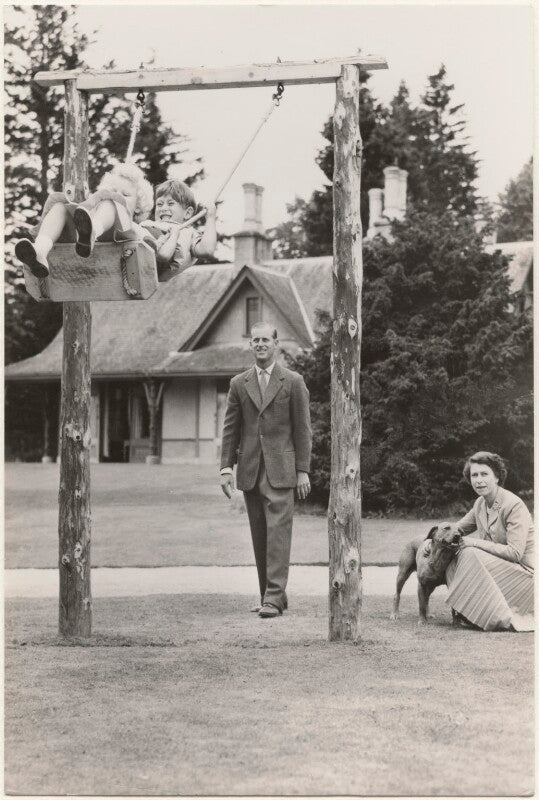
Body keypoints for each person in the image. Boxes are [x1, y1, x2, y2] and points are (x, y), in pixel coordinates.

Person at [220, 323, 312, 618]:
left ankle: (273, 597)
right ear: (251, 345)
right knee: (260, 534)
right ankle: (269, 596)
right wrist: (226, 468)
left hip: (282, 471)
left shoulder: (293, 381)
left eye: (265, 340)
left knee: (278, 534)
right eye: (255, 340)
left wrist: (303, 471)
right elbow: (231, 429)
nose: (260, 344)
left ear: (276, 344)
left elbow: (303, 430)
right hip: (250, 470)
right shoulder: (239, 383)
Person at [15, 162, 156, 278]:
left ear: (138, 206)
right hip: (79, 238)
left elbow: (148, 241)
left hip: (113, 236)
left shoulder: (134, 226)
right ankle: (40, 250)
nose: (117, 196)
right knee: (59, 207)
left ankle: (92, 231)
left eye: (125, 194)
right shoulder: (99, 208)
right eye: (112, 191)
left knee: (110, 204)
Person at [445, 451, 534, 632]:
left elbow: (515, 553)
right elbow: (457, 529)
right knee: (452, 552)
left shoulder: (513, 505)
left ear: (497, 477)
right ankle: (467, 611)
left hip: (528, 576)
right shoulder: (480, 504)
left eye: (484, 474)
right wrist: (431, 541)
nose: (479, 480)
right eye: (474, 475)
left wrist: (475, 543)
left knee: (468, 552)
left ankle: (480, 614)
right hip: (505, 572)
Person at [141, 179, 217, 281]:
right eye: (159, 204)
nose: (163, 208)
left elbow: (206, 250)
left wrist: (210, 217)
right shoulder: (149, 225)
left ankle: (151, 247)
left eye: (170, 203)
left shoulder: (188, 234)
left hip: (157, 262)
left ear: (187, 213)